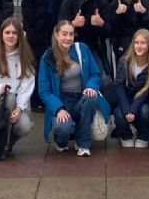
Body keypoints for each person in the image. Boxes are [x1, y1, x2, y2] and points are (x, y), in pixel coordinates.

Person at [38, 19, 110, 156]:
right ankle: (61, 141)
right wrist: (58, 109)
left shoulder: (82, 49)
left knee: (91, 98)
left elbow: (95, 74)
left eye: (71, 34)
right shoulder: (48, 57)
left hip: (80, 98)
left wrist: (91, 86)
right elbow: (44, 90)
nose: (68, 38)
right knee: (63, 127)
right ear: (57, 35)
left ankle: (83, 144)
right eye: (64, 34)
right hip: (62, 101)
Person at [20, 0, 68, 109]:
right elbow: (26, 5)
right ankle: (35, 99)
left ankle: (51, 97)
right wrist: (31, 25)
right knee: (36, 65)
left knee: (53, 64)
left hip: (53, 29)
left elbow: (63, 4)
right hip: (37, 30)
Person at [0, 18, 35, 150]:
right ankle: (0, 145)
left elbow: (27, 86)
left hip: (17, 105)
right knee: (9, 97)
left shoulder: (26, 57)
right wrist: (0, 89)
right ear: (1, 35)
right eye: (7, 32)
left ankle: (6, 143)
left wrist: (19, 108)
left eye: (14, 33)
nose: (11, 36)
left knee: (25, 126)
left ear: (20, 35)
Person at [59, 0, 110, 74]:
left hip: (94, 48)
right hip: (73, 47)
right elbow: (59, 28)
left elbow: (109, 29)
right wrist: (72, 24)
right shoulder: (69, 1)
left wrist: (101, 23)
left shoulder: (100, 0)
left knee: (99, 80)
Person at [113, 28, 149, 147]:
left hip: (144, 101)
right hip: (126, 99)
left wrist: (133, 110)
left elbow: (147, 91)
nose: (139, 46)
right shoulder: (124, 61)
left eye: (143, 43)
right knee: (119, 114)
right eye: (137, 43)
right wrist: (128, 109)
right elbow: (119, 86)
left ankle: (144, 134)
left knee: (145, 112)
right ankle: (125, 134)